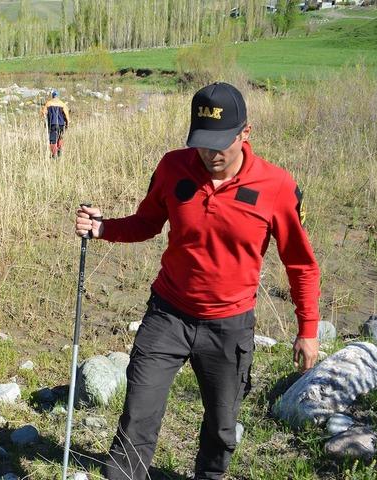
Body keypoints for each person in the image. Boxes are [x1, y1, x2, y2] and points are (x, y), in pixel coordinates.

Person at [74, 82, 320, 480]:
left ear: (246, 133)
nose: (212, 152)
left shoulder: (276, 187)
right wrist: (103, 229)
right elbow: (147, 223)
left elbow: (301, 264)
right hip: (167, 315)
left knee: (222, 429)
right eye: (204, 141)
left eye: (222, 141)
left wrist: (308, 329)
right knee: (137, 415)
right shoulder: (173, 167)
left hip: (229, 326)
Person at [41, 89, 70, 158]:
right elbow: (67, 115)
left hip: (52, 124)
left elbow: (43, 113)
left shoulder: (48, 103)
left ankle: (54, 155)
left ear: (52, 96)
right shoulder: (62, 104)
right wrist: (67, 124)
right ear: (58, 96)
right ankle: (59, 153)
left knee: (53, 140)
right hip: (61, 124)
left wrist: (44, 122)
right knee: (60, 138)